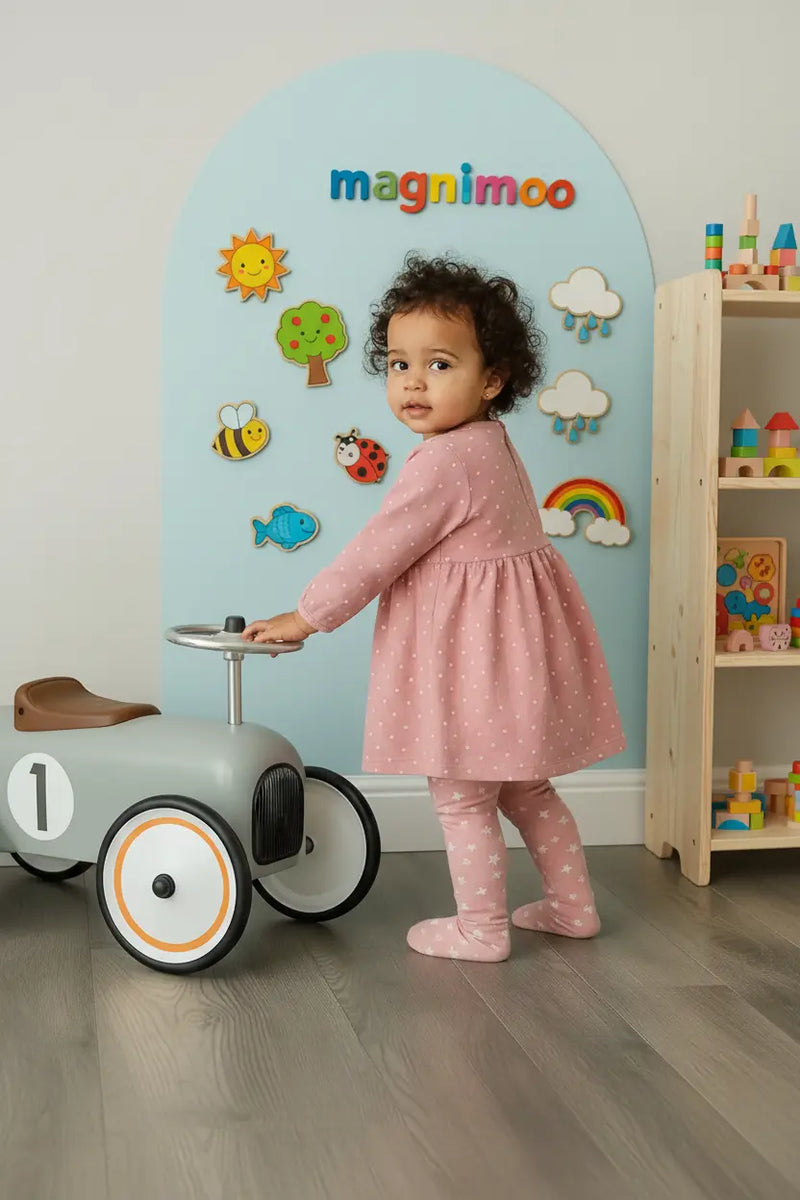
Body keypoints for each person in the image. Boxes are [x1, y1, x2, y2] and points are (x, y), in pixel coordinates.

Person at [243, 254, 625, 962]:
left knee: (462, 796)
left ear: (493, 379)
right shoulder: (494, 444)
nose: (413, 382)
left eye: (440, 365)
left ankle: (482, 929)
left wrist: (308, 615)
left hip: (473, 665)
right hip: (515, 656)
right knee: (527, 789)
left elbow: (376, 551)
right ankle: (574, 908)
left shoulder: (444, 462)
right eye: (397, 364)